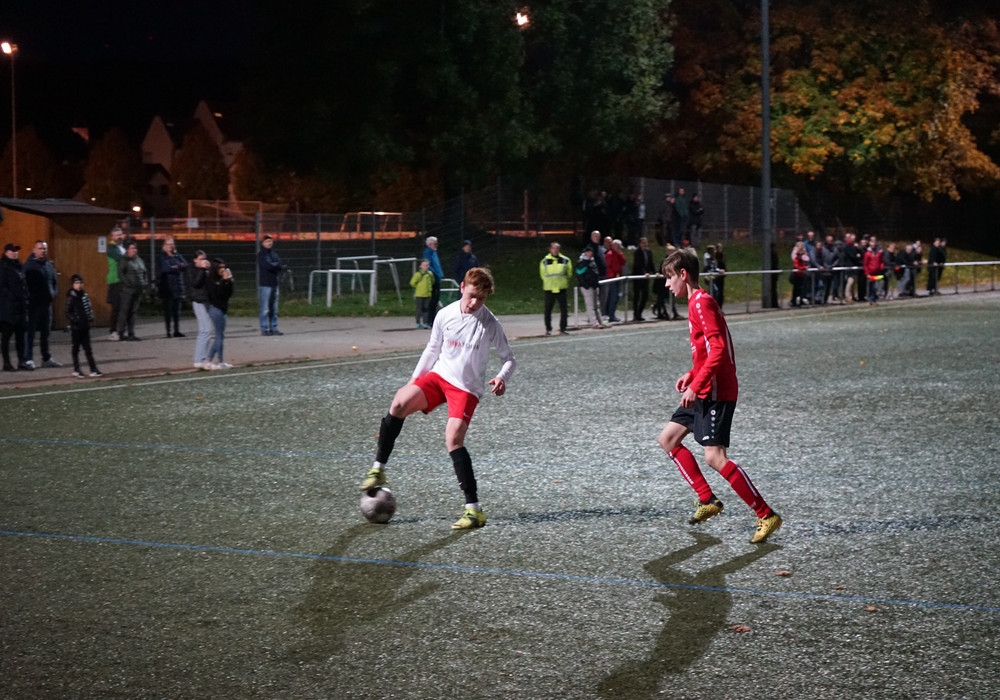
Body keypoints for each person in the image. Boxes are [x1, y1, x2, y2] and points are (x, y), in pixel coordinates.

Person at [358, 267, 516, 530]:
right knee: (399, 402)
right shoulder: (445, 314)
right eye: (472, 296)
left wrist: (502, 377)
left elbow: (509, 358)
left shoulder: (490, 323)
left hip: (466, 388)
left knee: (453, 439)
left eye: (481, 299)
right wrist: (414, 380)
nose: (474, 303)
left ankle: (474, 511)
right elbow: (432, 348)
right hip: (440, 377)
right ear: (462, 287)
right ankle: (378, 469)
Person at [656, 248, 782, 544]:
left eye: (669, 277)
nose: (667, 284)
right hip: (704, 386)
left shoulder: (701, 302)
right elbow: (709, 351)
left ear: (683, 274)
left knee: (714, 457)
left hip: (715, 392)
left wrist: (696, 385)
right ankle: (706, 499)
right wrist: (692, 374)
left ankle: (766, 514)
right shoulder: (696, 303)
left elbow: (719, 350)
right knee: (668, 439)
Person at [23, 240, 61, 368]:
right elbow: (24, 285)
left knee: (46, 332)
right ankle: (28, 358)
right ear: (34, 250)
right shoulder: (28, 266)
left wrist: (53, 294)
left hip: (46, 304)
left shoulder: (49, 265)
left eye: (44, 248)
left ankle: (46, 358)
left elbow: (54, 281)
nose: (42, 251)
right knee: (30, 332)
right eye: (40, 248)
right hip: (33, 304)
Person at [0, 243, 31, 371]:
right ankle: (7, 363)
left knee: (20, 337)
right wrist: (12, 297)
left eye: (16, 251)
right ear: (6, 252)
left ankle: (21, 361)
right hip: (8, 308)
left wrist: (26, 297)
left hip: (20, 307)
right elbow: (2, 287)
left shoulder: (19, 265)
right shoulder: (2, 266)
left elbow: (24, 284)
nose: (15, 253)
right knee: (6, 337)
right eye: (12, 251)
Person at [65, 274, 102, 378]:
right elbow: (68, 311)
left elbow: (88, 308)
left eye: (81, 283)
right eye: (76, 283)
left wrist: (90, 318)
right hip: (76, 327)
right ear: (73, 284)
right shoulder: (71, 297)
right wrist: (75, 320)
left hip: (85, 326)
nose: (79, 285)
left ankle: (93, 369)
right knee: (76, 348)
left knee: (88, 349)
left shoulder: (84, 295)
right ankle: (76, 369)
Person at [206, 258, 234, 369]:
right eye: (220, 267)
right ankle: (219, 361)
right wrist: (224, 281)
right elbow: (218, 294)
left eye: (224, 267)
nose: (223, 269)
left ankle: (209, 360)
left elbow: (228, 294)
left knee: (220, 336)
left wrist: (229, 281)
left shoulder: (221, 280)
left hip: (222, 309)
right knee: (219, 336)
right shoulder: (211, 281)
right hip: (216, 309)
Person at [116, 242, 148, 341]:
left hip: (138, 290)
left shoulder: (139, 260)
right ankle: (121, 333)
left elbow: (144, 272)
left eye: (135, 248)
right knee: (125, 311)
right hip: (127, 291)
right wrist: (128, 284)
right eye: (132, 248)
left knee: (133, 312)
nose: (134, 250)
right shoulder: (124, 260)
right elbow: (121, 274)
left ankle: (131, 333)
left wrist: (144, 283)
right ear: (127, 250)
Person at [187, 250, 213, 369]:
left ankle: (201, 358)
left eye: (205, 259)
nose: (203, 261)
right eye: (201, 259)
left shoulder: (205, 270)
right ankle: (199, 359)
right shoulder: (192, 269)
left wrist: (210, 270)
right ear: (195, 260)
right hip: (198, 301)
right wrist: (202, 270)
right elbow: (196, 283)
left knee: (206, 330)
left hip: (206, 300)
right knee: (205, 330)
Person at [157, 236, 188, 338]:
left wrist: (176, 266)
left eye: (172, 244)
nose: (171, 246)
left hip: (178, 285)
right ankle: (168, 331)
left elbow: (185, 265)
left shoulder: (177, 255)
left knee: (177, 311)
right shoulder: (162, 256)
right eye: (169, 244)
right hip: (168, 287)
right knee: (168, 310)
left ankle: (177, 330)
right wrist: (178, 266)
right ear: (164, 246)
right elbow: (165, 268)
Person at [540, 241, 572, 335]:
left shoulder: (565, 260)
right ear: (550, 249)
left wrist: (564, 281)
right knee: (548, 310)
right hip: (549, 288)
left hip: (561, 288)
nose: (555, 250)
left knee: (564, 310)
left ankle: (563, 328)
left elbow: (569, 273)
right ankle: (548, 329)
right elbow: (542, 274)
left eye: (557, 248)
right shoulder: (544, 261)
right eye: (553, 248)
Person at [257, 235, 283, 336]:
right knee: (265, 308)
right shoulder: (261, 255)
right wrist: (275, 265)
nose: (269, 243)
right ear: (263, 243)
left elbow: (280, 265)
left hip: (274, 283)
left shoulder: (273, 254)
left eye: (270, 241)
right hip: (265, 284)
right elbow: (267, 266)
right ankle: (264, 329)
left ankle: (274, 328)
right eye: (267, 241)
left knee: (274, 308)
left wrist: (274, 265)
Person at [575, 246, 604, 328]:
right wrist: (586, 285)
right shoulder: (582, 263)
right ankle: (594, 323)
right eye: (589, 252)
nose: (590, 254)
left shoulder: (592, 261)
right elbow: (579, 275)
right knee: (590, 305)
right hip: (587, 287)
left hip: (594, 286)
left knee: (596, 305)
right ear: (585, 253)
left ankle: (600, 321)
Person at [105, 226, 125, 340]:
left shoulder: (121, 247)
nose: (119, 237)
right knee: (116, 308)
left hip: (122, 280)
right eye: (117, 235)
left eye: (120, 234)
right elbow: (122, 259)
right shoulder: (112, 248)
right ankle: (113, 331)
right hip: (115, 280)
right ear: (112, 237)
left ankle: (120, 330)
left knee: (123, 307)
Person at [632, 237, 656, 321]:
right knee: (637, 296)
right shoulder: (637, 252)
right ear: (640, 244)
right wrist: (643, 273)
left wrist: (655, 272)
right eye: (643, 243)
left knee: (645, 295)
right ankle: (636, 314)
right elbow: (638, 264)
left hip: (646, 278)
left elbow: (651, 263)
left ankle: (640, 312)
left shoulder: (649, 252)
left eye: (646, 243)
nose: (645, 244)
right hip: (638, 277)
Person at [423, 236, 444, 326]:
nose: (436, 245)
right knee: (432, 300)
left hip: (437, 278)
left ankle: (433, 319)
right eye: (435, 243)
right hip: (432, 279)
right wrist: (436, 274)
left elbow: (437, 265)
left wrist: (440, 274)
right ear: (429, 244)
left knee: (436, 299)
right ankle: (429, 320)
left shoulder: (434, 252)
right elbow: (429, 266)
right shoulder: (428, 253)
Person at [604, 238, 626, 323]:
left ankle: (611, 314)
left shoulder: (618, 254)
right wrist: (612, 275)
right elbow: (608, 266)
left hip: (617, 277)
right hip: (612, 278)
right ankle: (610, 315)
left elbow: (623, 262)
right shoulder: (609, 254)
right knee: (613, 297)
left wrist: (619, 253)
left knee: (616, 297)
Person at [410, 258, 435, 329]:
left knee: (426, 309)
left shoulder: (430, 274)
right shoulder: (418, 274)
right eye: (424, 265)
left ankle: (425, 322)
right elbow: (412, 283)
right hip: (419, 295)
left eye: (427, 265)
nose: (426, 267)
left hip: (428, 294)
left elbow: (432, 281)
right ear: (420, 266)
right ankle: (418, 322)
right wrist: (419, 288)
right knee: (419, 309)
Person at [863, 236, 885, 305]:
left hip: (877, 272)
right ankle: (872, 299)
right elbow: (865, 264)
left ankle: (873, 299)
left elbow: (881, 261)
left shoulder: (878, 252)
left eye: (874, 242)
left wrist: (881, 266)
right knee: (873, 286)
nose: (873, 244)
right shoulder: (867, 253)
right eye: (872, 243)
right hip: (871, 273)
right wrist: (867, 274)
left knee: (876, 286)